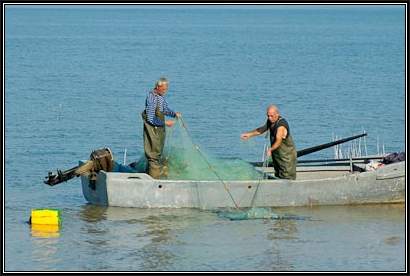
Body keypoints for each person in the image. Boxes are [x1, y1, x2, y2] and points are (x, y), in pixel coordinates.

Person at [240, 105, 297, 180]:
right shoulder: (270, 121)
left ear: (277, 114)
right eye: (268, 116)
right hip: (277, 155)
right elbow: (262, 129)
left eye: (271, 116)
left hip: (286, 156)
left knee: (287, 176)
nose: (269, 118)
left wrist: (270, 149)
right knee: (278, 175)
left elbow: (278, 141)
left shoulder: (281, 126)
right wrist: (249, 134)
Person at [141, 77, 181, 179]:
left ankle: (150, 175)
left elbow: (165, 110)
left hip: (159, 129)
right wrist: (165, 123)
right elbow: (150, 118)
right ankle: (153, 180)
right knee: (153, 155)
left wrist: (174, 114)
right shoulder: (152, 98)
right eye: (163, 89)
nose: (165, 91)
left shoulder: (160, 97)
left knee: (157, 153)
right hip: (152, 130)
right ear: (158, 87)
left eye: (166, 89)